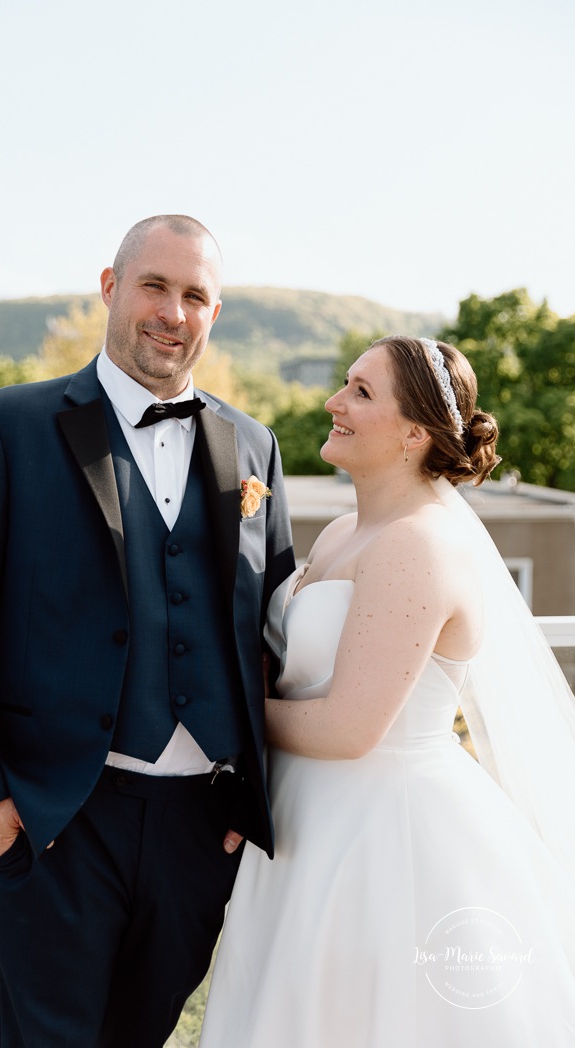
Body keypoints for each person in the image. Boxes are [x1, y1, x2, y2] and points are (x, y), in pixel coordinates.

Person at [0, 214, 295, 1048]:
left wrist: (251, 793)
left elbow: (270, 635)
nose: (172, 311)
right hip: (56, 821)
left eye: (195, 295)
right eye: (154, 285)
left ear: (214, 314)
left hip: (201, 825)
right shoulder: (8, 426)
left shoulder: (252, 445)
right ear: (110, 288)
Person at [199, 336, 575, 1047]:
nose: (332, 403)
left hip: (382, 837)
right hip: (305, 821)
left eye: (361, 393)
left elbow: (349, 729)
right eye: (344, 384)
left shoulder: (416, 544)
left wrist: (209, 706)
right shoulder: (345, 529)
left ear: (415, 433)